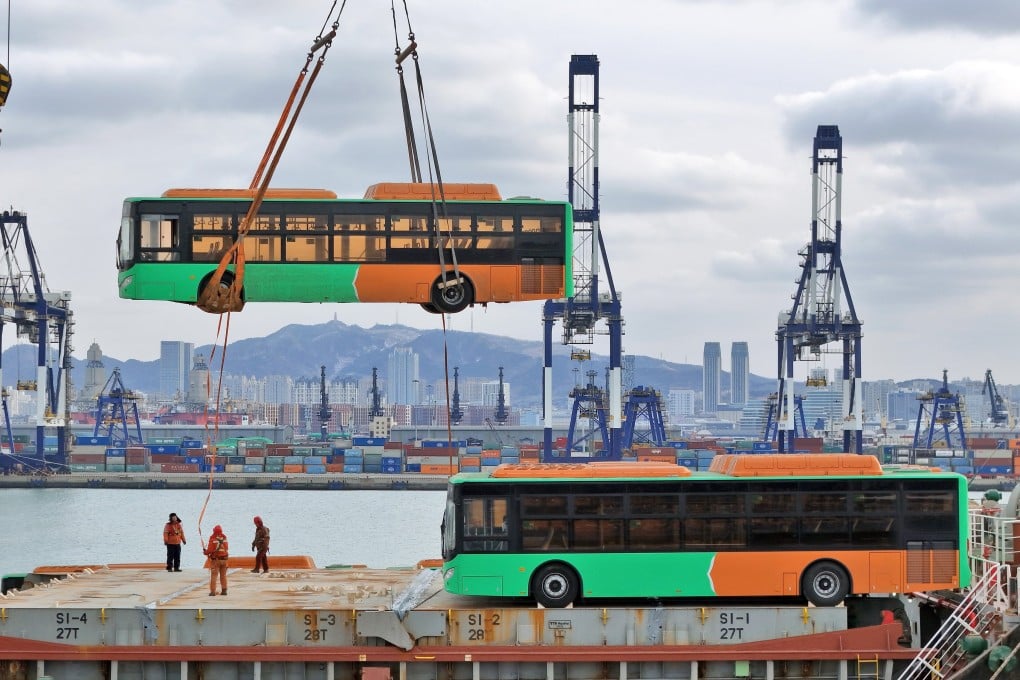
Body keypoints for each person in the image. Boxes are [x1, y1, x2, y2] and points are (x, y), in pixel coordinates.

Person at [203, 525, 229, 596]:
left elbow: (210, 550)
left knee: (214, 576)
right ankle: (224, 590)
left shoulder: (213, 539)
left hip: (216, 560)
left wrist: (205, 552)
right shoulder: (224, 538)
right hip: (224, 560)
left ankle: (213, 592)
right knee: (223, 576)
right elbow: (226, 548)